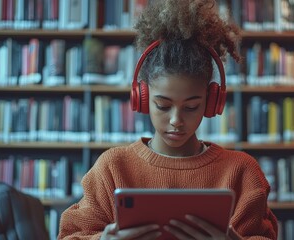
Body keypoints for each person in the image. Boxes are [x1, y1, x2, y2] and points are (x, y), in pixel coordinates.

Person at [58, 0, 278, 239]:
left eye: (192, 107)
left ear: (212, 101)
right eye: (162, 106)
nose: (176, 120)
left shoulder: (241, 172)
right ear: (141, 98)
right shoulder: (112, 167)